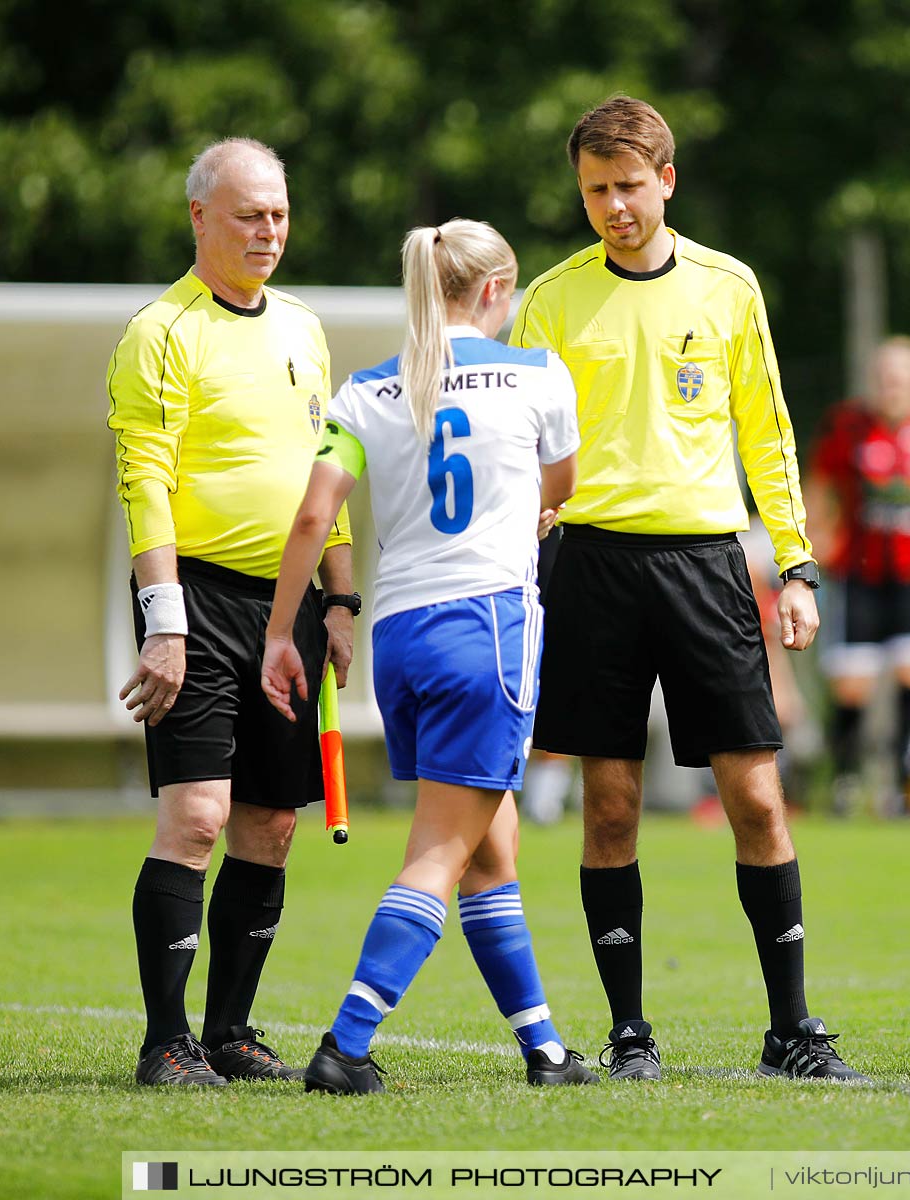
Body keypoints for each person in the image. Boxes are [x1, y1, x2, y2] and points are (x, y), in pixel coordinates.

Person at [510, 95, 864, 1082]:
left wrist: (795, 566)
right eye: (595, 190)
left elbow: (769, 431)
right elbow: (521, 442)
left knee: (757, 798)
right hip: (591, 566)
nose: (614, 206)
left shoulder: (728, 286)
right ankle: (630, 1034)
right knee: (611, 805)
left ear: (666, 179)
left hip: (708, 563)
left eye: (628, 185)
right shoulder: (551, 299)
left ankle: (791, 1029)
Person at [262, 219, 594, 1092]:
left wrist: (277, 634)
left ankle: (545, 1050)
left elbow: (311, 516)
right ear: (494, 290)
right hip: (486, 625)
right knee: (442, 852)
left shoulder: (369, 389)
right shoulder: (535, 371)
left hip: (401, 636)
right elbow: (561, 483)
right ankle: (346, 1045)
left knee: (489, 845)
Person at [107, 138, 356, 1085]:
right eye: (250, 214)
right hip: (198, 602)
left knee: (271, 824)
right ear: (200, 218)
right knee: (198, 820)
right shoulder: (160, 332)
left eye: (281, 214)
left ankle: (230, 1032)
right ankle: (164, 1040)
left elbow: (328, 478)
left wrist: (339, 600)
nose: (269, 231)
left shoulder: (302, 326)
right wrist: (162, 620)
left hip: (288, 610)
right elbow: (146, 482)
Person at [809, 336, 910, 816]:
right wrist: (815, 545)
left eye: (900, 378)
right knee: (850, 683)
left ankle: (908, 786)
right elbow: (819, 489)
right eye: (883, 377)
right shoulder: (847, 424)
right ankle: (844, 783)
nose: (891, 387)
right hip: (858, 570)